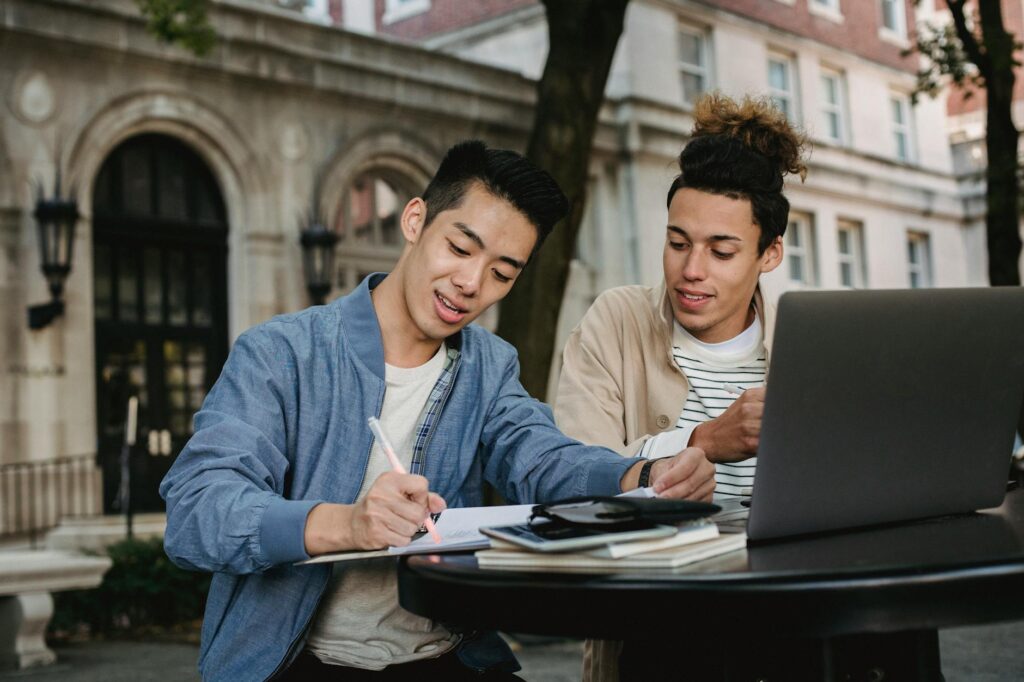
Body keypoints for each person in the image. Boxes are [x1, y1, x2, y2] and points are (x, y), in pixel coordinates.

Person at [160, 140, 715, 681]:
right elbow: (195, 512)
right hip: (298, 662)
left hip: (446, 655)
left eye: (501, 273)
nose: (471, 283)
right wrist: (347, 524)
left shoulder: (488, 366)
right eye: (460, 247)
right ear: (415, 219)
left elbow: (542, 458)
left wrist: (642, 474)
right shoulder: (282, 353)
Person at [554, 94, 808, 681]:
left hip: (790, 614)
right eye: (677, 242)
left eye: (721, 251)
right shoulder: (617, 321)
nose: (691, 269)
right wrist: (702, 440)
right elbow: (567, 475)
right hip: (656, 627)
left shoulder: (807, 344)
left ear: (769, 254)